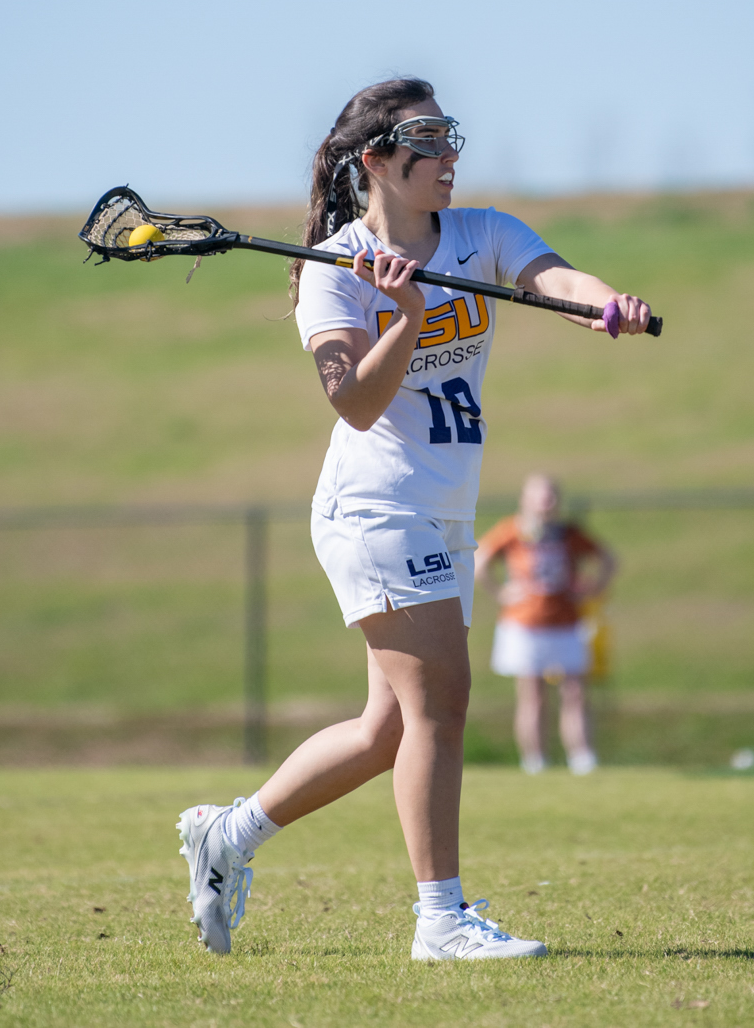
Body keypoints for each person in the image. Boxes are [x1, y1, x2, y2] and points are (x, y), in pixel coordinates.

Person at [174, 77, 653, 962]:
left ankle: (228, 836)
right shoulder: (332, 272)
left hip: (445, 511)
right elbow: (352, 401)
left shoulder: (482, 233)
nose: (449, 157)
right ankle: (441, 921)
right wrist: (406, 316)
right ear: (376, 163)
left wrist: (604, 301)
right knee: (445, 698)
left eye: (450, 135)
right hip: (374, 509)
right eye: (427, 141)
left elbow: (554, 275)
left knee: (386, 729)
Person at [478, 473, 615, 776]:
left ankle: (582, 759)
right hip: (524, 624)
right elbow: (481, 559)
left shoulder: (569, 533)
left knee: (575, 692)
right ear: (525, 499)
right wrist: (501, 592)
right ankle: (535, 762)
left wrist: (592, 588)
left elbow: (607, 558)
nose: (546, 502)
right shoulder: (511, 530)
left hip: (566, 622)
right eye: (540, 495)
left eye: (551, 495)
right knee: (532, 694)